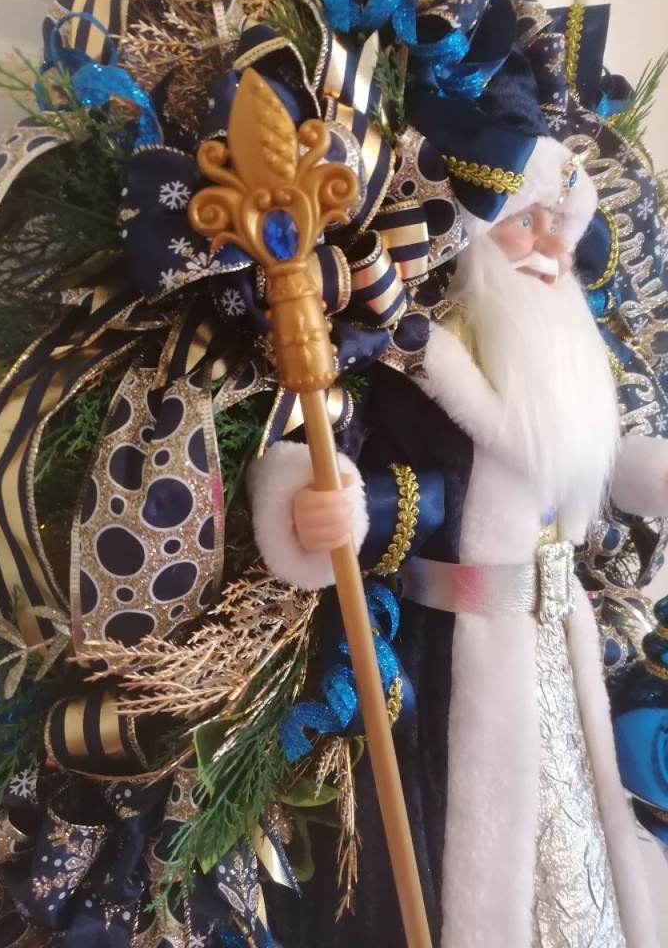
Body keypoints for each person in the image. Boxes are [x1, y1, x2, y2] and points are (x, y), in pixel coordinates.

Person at [248, 136, 663, 947]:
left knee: (579, 834)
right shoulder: (421, 360)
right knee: (465, 853)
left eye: (563, 230)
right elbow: (411, 488)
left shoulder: (568, 369)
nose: (549, 249)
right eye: (528, 221)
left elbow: (598, 471)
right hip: (456, 654)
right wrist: (332, 510)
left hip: (563, 645)